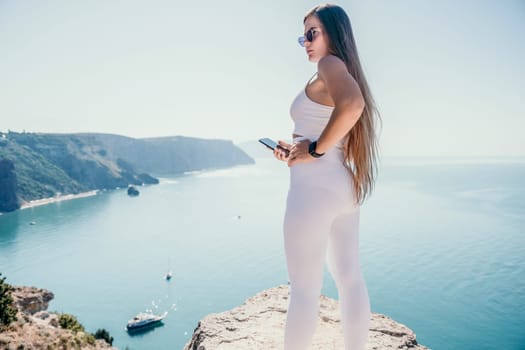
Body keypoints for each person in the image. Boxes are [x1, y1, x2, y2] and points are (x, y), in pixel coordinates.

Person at [272, 4, 380, 350]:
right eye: (303, 35)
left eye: (312, 32)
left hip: (313, 192)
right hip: (342, 187)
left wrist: (314, 150)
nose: (306, 41)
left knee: (303, 290)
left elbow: (353, 105)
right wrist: (298, 149)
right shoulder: (340, 69)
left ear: (334, 33)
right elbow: (331, 123)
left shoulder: (329, 64)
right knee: (350, 279)